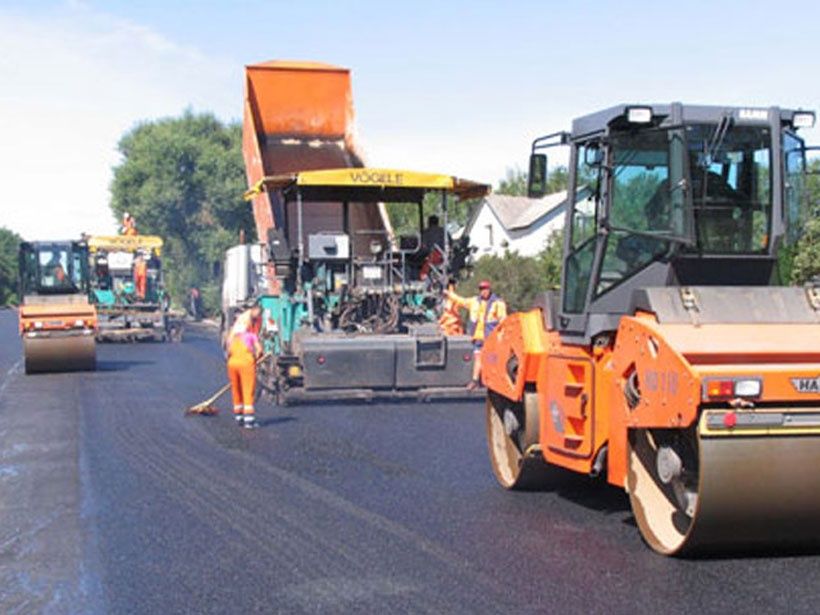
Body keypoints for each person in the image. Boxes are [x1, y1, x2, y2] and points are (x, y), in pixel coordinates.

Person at [446, 280, 507, 390]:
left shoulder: (498, 303)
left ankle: (492, 382)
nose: (483, 291)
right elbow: (461, 301)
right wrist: (449, 294)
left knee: (491, 360)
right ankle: (475, 381)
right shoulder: (474, 301)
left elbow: (503, 321)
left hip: (491, 338)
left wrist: (501, 337)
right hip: (478, 337)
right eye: (481, 289)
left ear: (489, 289)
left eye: (485, 289)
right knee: (478, 359)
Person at [226, 305, 263, 429]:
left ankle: (239, 416)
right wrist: (257, 358)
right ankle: (249, 421)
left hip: (232, 364)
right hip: (246, 364)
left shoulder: (233, 337)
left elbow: (229, 350)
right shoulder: (251, 336)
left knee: (236, 389)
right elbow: (259, 350)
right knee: (247, 390)